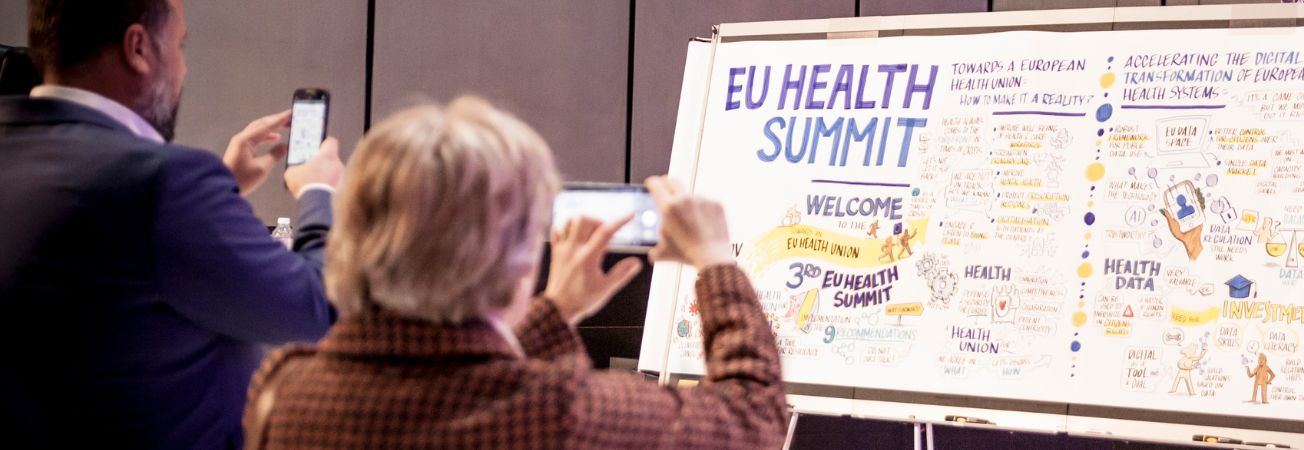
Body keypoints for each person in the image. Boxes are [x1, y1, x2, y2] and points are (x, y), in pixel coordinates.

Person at [244, 97, 788, 449]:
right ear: (515, 259)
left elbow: (454, 371)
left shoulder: (283, 390)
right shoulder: (557, 411)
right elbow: (754, 418)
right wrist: (715, 261)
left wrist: (556, 312)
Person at [0, 0, 344, 448]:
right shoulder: (163, 182)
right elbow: (320, 311)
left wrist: (221, 192)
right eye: (180, 46)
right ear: (138, 48)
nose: (184, 69)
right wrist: (317, 190)